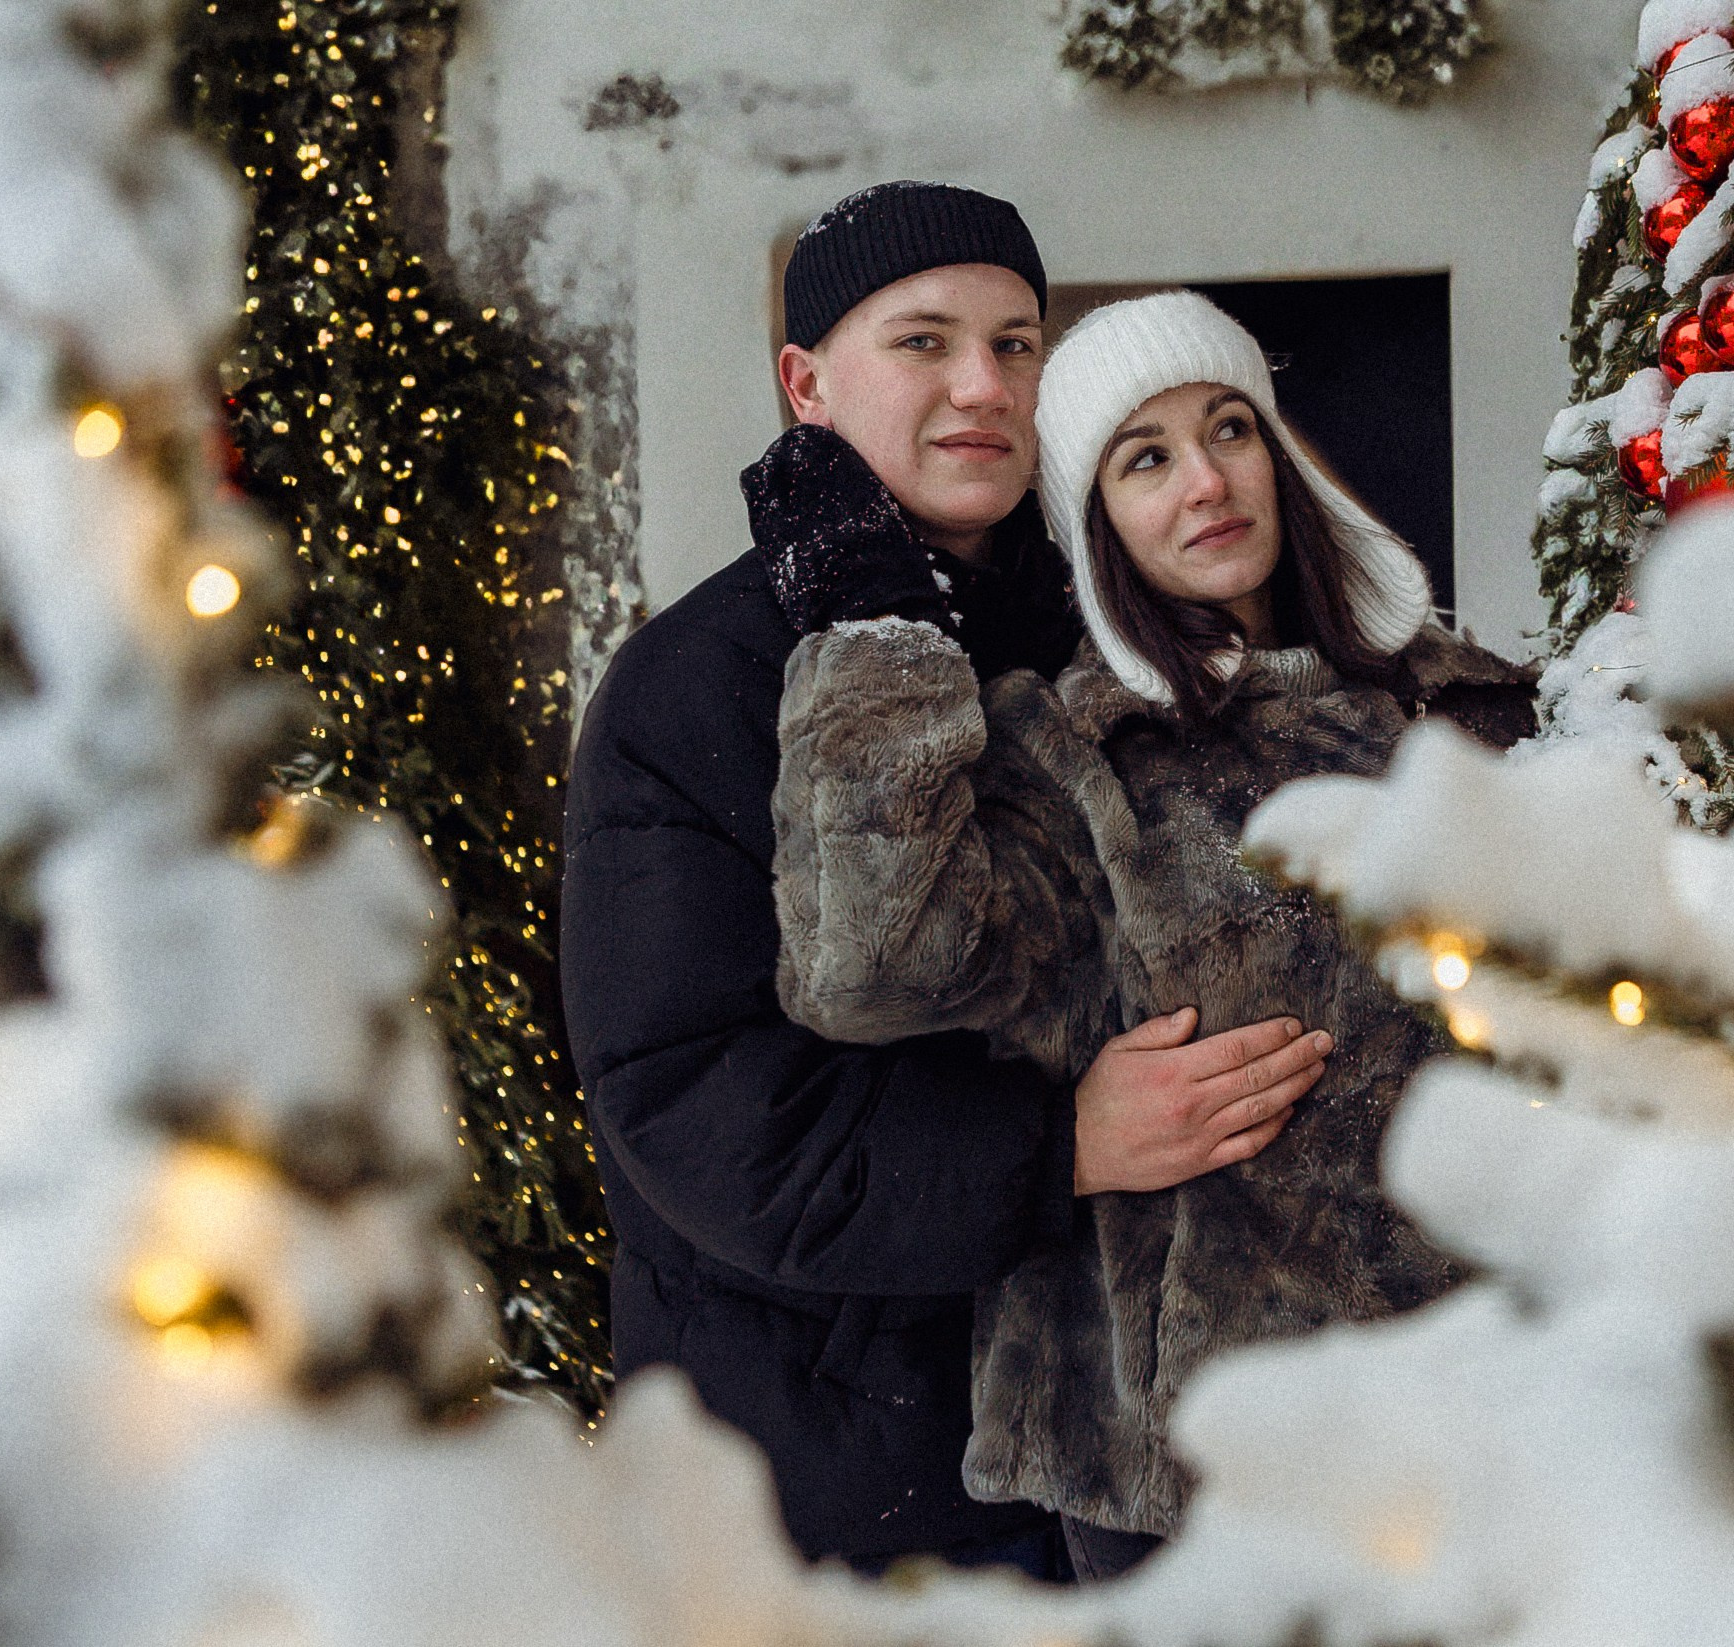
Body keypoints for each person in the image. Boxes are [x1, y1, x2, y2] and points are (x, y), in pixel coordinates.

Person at [560, 187, 1330, 1579]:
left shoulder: (1110, 621)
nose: (983, 386)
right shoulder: (697, 683)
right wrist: (1059, 1146)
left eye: (1015, 343)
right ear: (806, 384)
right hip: (842, 1455)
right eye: (923, 342)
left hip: (1128, 1435)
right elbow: (691, 1102)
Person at [769, 289, 1537, 1579]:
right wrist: (873, 633)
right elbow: (873, 967)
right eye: (1145, 458)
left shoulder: (1475, 711)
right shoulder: (1076, 753)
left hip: (1497, 1417)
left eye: (1229, 429)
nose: (1206, 481)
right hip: (1197, 1473)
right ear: (1096, 524)